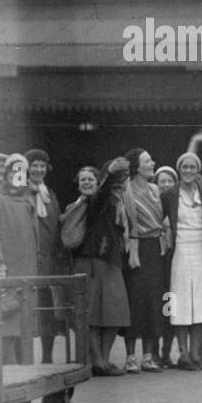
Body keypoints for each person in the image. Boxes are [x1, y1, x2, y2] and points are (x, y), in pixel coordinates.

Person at [162, 149, 202, 369]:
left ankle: (198, 355)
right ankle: (183, 354)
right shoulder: (170, 194)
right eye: (184, 167)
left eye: (192, 167)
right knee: (178, 304)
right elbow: (160, 218)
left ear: (198, 170)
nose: (188, 171)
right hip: (180, 250)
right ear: (179, 170)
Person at [70, 159, 133, 374]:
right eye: (83, 180)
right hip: (90, 263)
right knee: (91, 315)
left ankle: (103, 359)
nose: (86, 183)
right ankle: (97, 360)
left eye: (90, 179)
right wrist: (111, 175)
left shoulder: (114, 203)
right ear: (78, 184)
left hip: (110, 262)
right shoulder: (90, 202)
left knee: (115, 314)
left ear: (96, 182)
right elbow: (105, 191)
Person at [0, 153, 41, 365]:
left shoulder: (28, 202)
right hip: (7, 276)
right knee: (6, 328)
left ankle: (26, 373)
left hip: (28, 276)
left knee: (26, 330)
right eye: (13, 172)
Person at [120, 147, 169, 373]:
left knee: (153, 302)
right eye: (148, 161)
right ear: (136, 167)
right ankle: (131, 357)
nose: (152, 164)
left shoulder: (155, 189)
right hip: (135, 249)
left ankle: (148, 356)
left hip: (155, 249)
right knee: (134, 302)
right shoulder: (125, 190)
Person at [25, 149, 64, 364]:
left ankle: (47, 357)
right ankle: (23, 358)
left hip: (48, 262)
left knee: (47, 310)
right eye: (34, 165)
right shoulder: (20, 191)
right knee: (26, 309)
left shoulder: (49, 194)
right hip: (28, 260)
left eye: (42, 165)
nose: (38, 169)